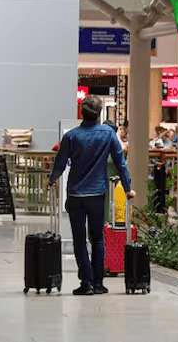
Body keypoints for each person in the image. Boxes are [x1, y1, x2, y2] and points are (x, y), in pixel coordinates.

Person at [47, 95, 135, 296]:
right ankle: (98, 283)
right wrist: (128, 187)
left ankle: (85, 283)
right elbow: (120, 162)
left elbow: (60, 164)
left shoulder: (72, 136)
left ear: (82, 112)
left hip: (76, 195)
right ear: (99, 113)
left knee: (79, 240)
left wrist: (52, 179)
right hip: (97, 193)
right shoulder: (107, 134)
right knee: (97, 238)